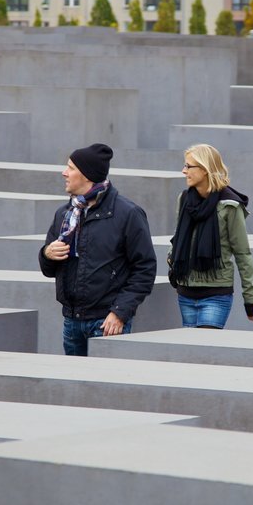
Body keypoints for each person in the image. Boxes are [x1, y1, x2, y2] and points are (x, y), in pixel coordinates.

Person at [39, 143, 157, 356]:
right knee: (74, 386)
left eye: (70, 168)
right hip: (71, 322)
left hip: (107, 324)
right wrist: (47, 254)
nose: (64, 173)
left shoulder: (128, 214)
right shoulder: (65, 214)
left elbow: (145, 270)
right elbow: (48, 269)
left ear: (86, 175)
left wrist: (119, 313)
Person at [167, 143, 253, 329]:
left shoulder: (230, 206)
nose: (184, 171)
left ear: (205, 169)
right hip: (185, 292)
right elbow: (179, 237)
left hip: (216, 294)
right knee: (189, 353)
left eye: (188, 166)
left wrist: (250, 300)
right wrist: (172, 262)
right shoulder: (184, 199)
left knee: (202, 350)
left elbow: (243, 253)